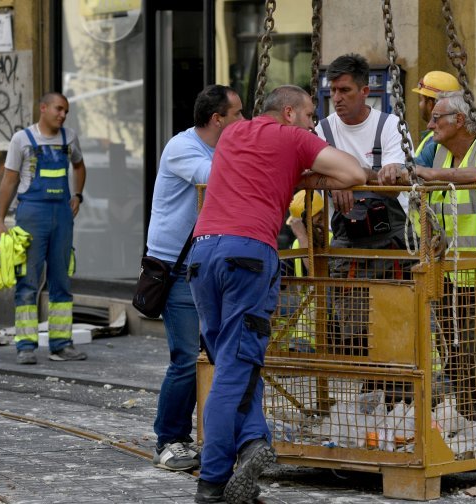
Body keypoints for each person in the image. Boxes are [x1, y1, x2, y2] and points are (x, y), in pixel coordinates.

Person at [188, 85, 366, 504]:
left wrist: (293, 173)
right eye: (308, 114)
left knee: (230, 359)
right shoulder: (294, 138)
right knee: (235, 368)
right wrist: (307, 169)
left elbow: (250, 171)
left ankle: (253, 443)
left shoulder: (233, 133)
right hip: (247, 253)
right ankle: (211, 484)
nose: (312, 122)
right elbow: (355, 173)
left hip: (202, 252)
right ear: (288, 113)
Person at [379, 90, 476, 422]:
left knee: (469, 346)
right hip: (447, 267)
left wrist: (428, 175)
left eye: (436, 118)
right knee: (450, 350)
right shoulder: (434, 147)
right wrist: (395, 170)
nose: (430, 123)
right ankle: (466, 415)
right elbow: (415, 171)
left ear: (459, 120)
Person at [147, 85, 244, 472]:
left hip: (211, 265)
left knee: (219, 355)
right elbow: (214, 179)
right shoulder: (182, 148)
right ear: (217, 119)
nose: (245, 120)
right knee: (187, 357)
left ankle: (218, 435)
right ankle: (169, 439)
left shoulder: (222, 148)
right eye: (237, 114)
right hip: (177, 268)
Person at [316, 53, 413, 359]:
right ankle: (371, 389)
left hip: (392, 242)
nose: (337, 98)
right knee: (355, 331)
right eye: (333, 91)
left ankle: (401, 391)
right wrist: (334, 184)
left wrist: (348, 181)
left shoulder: (389, 126)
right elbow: (308, 175)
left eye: (344, 90)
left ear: (364, 92)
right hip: (348, 244)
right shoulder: (323, 131)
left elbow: (393, 183)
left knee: (398, 320)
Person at [0, 92, 87, 365]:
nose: (63, 115)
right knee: (28, 281)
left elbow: (79, 166)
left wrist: (78, 195)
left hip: (61, 214)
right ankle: (25, 346)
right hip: (31, 215)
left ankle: (61, 344)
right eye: (59, 109)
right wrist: (1, 220)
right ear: (43, 108)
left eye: (66, 111)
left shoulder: (68, 138)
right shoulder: (22, 139)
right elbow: (9, 181)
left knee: (61, 280)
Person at [411, 70, 461, 155]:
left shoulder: (436, 139)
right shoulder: (450, 135)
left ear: (430, 104)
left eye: (421, 99)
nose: (420, 105)